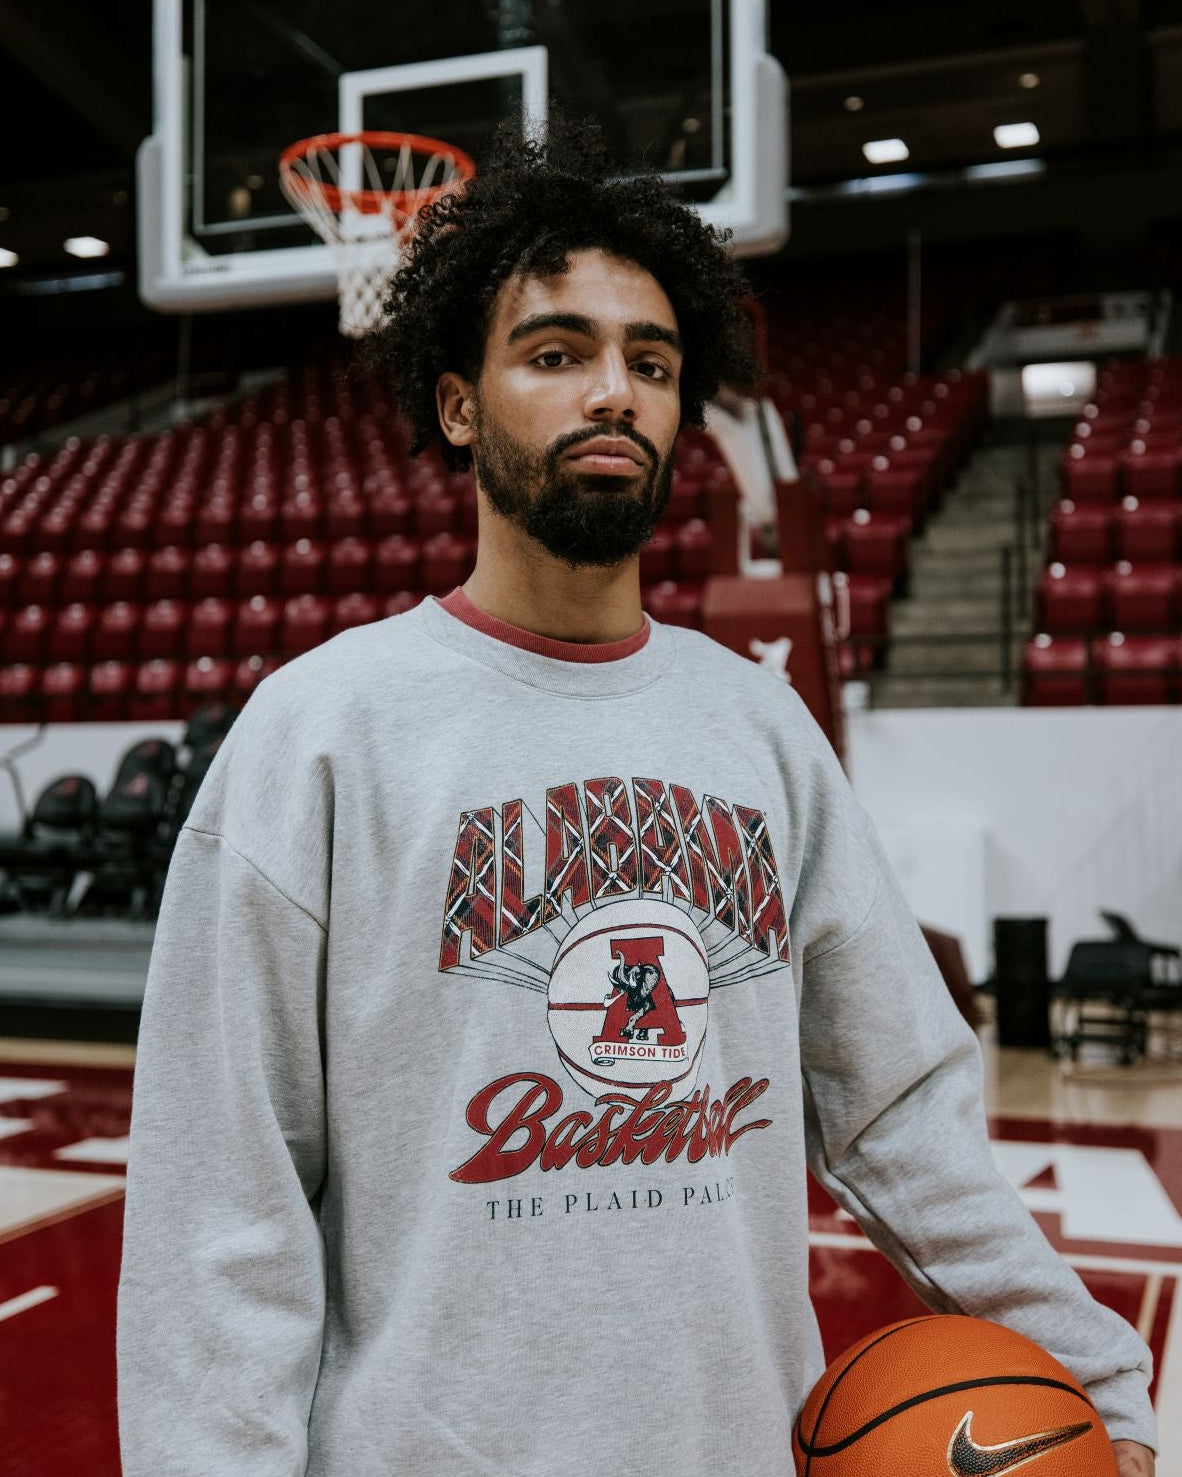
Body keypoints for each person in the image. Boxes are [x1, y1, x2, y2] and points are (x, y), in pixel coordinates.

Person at [116, 110, 1157, 1477]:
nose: (613, 390)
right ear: (457, 404)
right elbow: (219, 1212)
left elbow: (903, 1116)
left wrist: (1100, 1389)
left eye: (650, 362)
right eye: (556, 353)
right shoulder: (318, 734)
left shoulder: (761, 731)